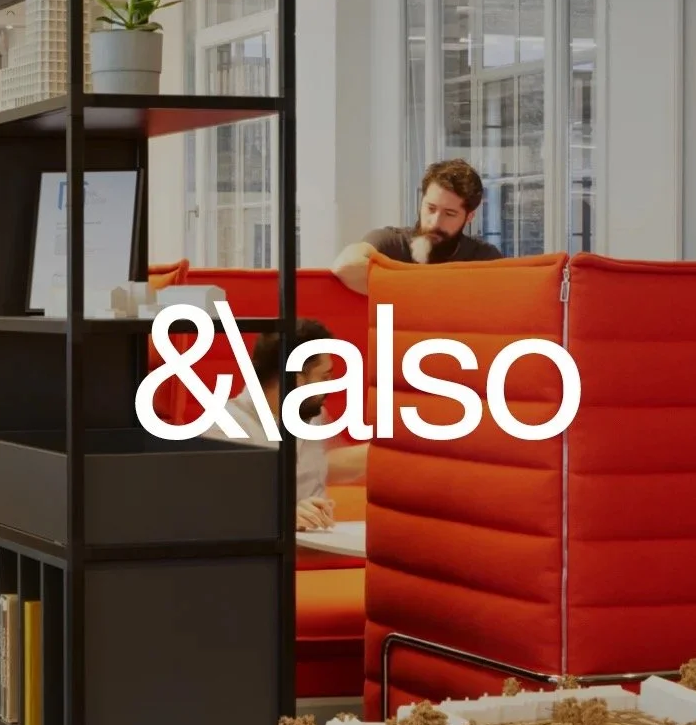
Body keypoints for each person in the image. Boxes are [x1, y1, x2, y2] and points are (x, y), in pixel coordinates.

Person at [201, 318, 368, 531]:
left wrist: (407, 451)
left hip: (319, 547)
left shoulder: (313, 417)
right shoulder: (224, 428)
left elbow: (330, 463)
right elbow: (219, 513)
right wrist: (283, 517)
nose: (330, 386)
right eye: (324, 377)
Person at [331, 158, 503, 294]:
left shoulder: (483, 256)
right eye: (431, 208)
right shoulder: (392, 243)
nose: (435, 222)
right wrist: (423, 290)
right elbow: (346, 265)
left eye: (449, 214)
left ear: (469, 216)